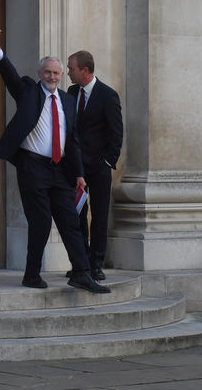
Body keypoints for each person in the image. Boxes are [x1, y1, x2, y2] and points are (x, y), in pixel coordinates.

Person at [0, 23, 110, 293]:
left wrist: (80, 174)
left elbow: (72, 141)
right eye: (47, 72)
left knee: (71, 221)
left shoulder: (67, 101)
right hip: (33, 167)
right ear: (40, 74)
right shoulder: (28, 92)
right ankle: (31, 274)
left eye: (56, 73)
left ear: (62, 76)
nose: (51, 76)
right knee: (40, 222)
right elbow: (10, 76)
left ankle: (82, 272)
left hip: (60, 170)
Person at [67, 50, 123, 281]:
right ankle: (81, 262)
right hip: (76, 167)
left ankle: (96, 263)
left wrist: (108, 161)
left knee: (99, 215)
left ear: (85, 71)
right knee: (77, 214)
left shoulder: (108, 95)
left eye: (71, 69)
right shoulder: (70, 93)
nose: (68, 73)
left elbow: (116, 133)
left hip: (99, 167)